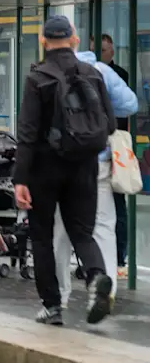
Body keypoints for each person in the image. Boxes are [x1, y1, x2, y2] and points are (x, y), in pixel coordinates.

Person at [14, 16, 116, 326]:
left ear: (43, 41)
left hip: (44, 169)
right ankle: (97, 276)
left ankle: (52, 306)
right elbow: (109, 124)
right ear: (73, 37)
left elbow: (28, 134)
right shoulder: (92, 73)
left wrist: (20, 179)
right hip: (84, 165)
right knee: (82, 232)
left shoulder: (37, 78)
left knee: (42, 236)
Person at [48, 43, 137, 309]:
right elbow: (130, 104)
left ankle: (59, 296)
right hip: (98, 161)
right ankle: (105, 291)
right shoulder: (101, 71)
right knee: (103, 227)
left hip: (63, 163)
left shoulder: (50, 74)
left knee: (60, 232)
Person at [101, 34, 132, 280]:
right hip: (97, 149)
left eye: (104, 50)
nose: (101, 55)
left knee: (118, 203)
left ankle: (120, 257)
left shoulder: (119, 75)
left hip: (115, 147)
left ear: (112, 51)